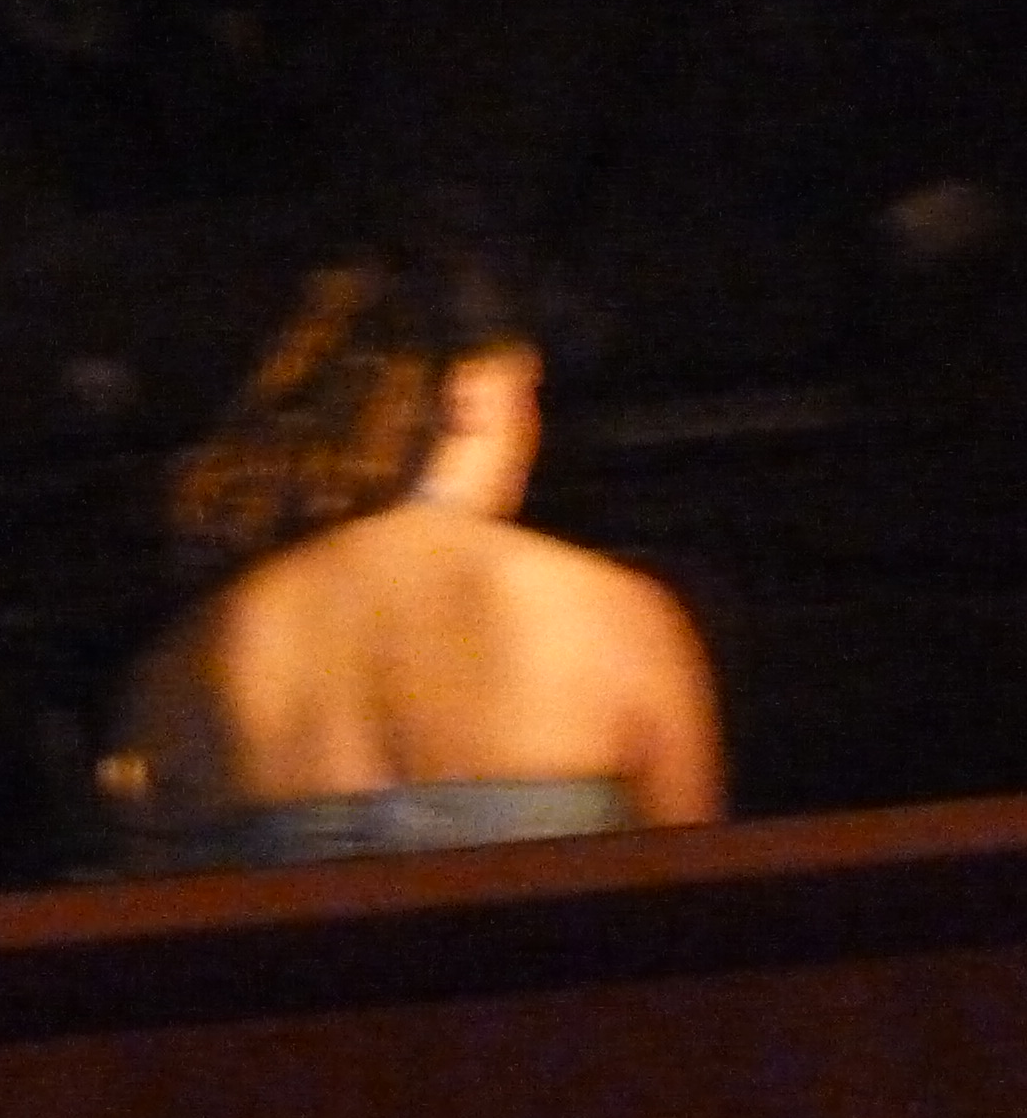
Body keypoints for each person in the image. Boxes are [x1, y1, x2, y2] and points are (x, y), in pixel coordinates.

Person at [101, 242, 724, 870]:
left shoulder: (197, 650)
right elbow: (697, 893)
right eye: (530, 393)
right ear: (473, 395)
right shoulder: (613, 616)